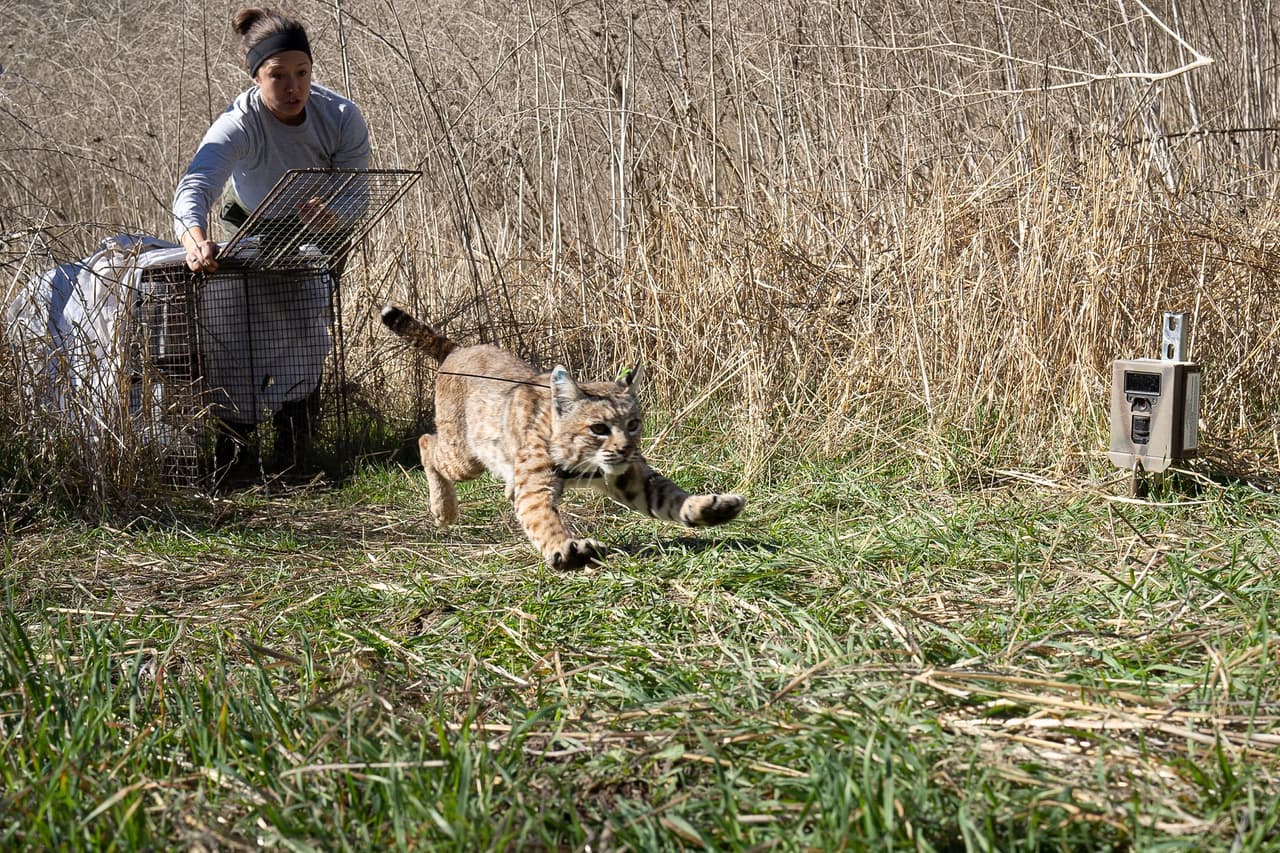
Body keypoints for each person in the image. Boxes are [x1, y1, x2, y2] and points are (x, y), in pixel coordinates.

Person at [172, 7, 371, 480]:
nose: (293, 87)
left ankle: (295, 456)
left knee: (306, 337)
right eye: (277, 75)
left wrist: (334, 216)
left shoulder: (341, 116)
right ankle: (234, 460)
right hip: (249, 226)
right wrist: (195, 240)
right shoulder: (239, 122)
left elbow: (357, 192)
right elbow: (195, 186)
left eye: (302, 73)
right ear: (256, 77)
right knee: (235, 338)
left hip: (315, 232)